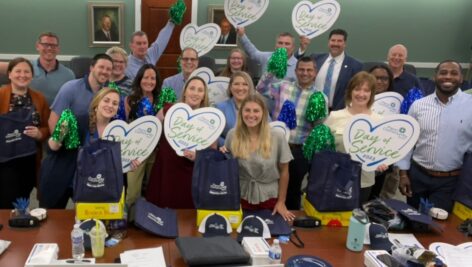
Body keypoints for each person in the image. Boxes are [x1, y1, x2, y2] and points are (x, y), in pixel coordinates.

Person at [397, 60, 472, 212]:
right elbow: (406, 142)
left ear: (461, 78)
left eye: (454, 73)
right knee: (413, 220)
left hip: (450, 181)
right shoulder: (419, 105)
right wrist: (403, 174)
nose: (448, 77)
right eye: (443, 73)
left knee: (436, 226)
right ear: (434, 76)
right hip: (417, 176)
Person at [39, 54, 113, 208]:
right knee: (53, 208)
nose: (105, 72)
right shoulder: (70, 88)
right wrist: (59, 144)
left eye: (108, 69)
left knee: (86, 212)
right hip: (65, 155)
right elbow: (54, 120)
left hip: (88, 161)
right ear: (92, 68)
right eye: (101, 67)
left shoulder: (107, 95)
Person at [257, 56, 325, 209]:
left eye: (309, 70)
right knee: (269, 184)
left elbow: (319, 128)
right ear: (295, 71)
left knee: (293, 190)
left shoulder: (319, 97)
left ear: (315, 72)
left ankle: (289, 223)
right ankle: (267, 216)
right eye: (301, 69)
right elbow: (261, 89)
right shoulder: (282, 87)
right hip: (274, 146)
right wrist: (271, 71)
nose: (304, 73)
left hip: (299, 150)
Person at [221, 94, 295, 221]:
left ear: (264, 114)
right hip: (239, 199)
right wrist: (222, 155)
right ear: (241, 112)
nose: (251, 115)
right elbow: (228, 170)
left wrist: (281, 202)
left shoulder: (277, 136)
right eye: (247, 110)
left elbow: (284, 172)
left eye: (256, 111)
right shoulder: (232, 135)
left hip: (269, 200)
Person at [146, 76, 210, 209]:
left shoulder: (208, 119)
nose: (195, 93)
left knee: (186, 216)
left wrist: (197, 157)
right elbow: (151, 135)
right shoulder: (167, 110)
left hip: (191, 171)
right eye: (192, 88)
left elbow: (211, 152)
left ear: (204, 95)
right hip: (166, 168)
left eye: (200, 90)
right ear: (185, 91)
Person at [324, 71, 387, 205]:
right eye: (357, 89)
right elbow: (324, 149)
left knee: (356, 220)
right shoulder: (334, 116)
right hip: (336, 180)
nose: (361, 94)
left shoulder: (379, 120)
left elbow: (382, 151)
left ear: (372, 94)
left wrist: (382, 162)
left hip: (364, 182)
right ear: (350, 91)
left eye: (366, 90)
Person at [0, 58, 50, 208]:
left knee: (23, 198)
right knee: (5, 200)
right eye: (18, 71)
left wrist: (39, 134)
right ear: (9, 74)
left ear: (32, 75)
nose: (22, 75)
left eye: (27, 71)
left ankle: (20, 227)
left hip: (29, 158)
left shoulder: (39, 98)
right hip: (4, 161)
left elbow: (47, 127)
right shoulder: (1, 95)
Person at [124, 64, 162, 209]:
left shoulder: (160, 99)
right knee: (133, 192)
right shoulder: (130, 99)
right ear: (139, 79)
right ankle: (130, 221)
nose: (149, 81)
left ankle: (149, 220)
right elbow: (124, 126)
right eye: (146, 77)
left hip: (156, 150)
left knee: (153, 189)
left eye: (153, 78)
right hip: (135, 153)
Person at [310, 29, 363, 111]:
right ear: (328, 42)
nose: (335, 44)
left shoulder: (355, 66)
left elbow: (354, 92)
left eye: (339, 41)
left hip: (337, 112)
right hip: (312, 109)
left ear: (345, 44)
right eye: (333, 40)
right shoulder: (315, 58)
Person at [237, 28, 310, 82]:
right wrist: (242, 35)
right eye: (280, 43)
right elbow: (252, 52)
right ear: (275, 45)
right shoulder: (266, 57)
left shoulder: (298, 65)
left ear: (293, 47)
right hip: (263, 101)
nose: (283, 46)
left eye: (287, 44)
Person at [31, 32, 75, 106]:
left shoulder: (69, 75)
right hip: (29, 115)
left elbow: (70, 103)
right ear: (37, 46)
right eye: (45, 44)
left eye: (53, 45)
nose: (49, 48)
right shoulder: (26, 69)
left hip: (57, 115)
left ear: (58, 49)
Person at [215, 71, 255, 145]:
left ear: (250, 87)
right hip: (229, 152)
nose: (240, 88)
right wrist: (227, 145)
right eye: (236, 84)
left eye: (245, 84)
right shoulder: (220, 107)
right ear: (230, 87)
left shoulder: (259, 107)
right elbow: (214, 134)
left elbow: (269, 129)